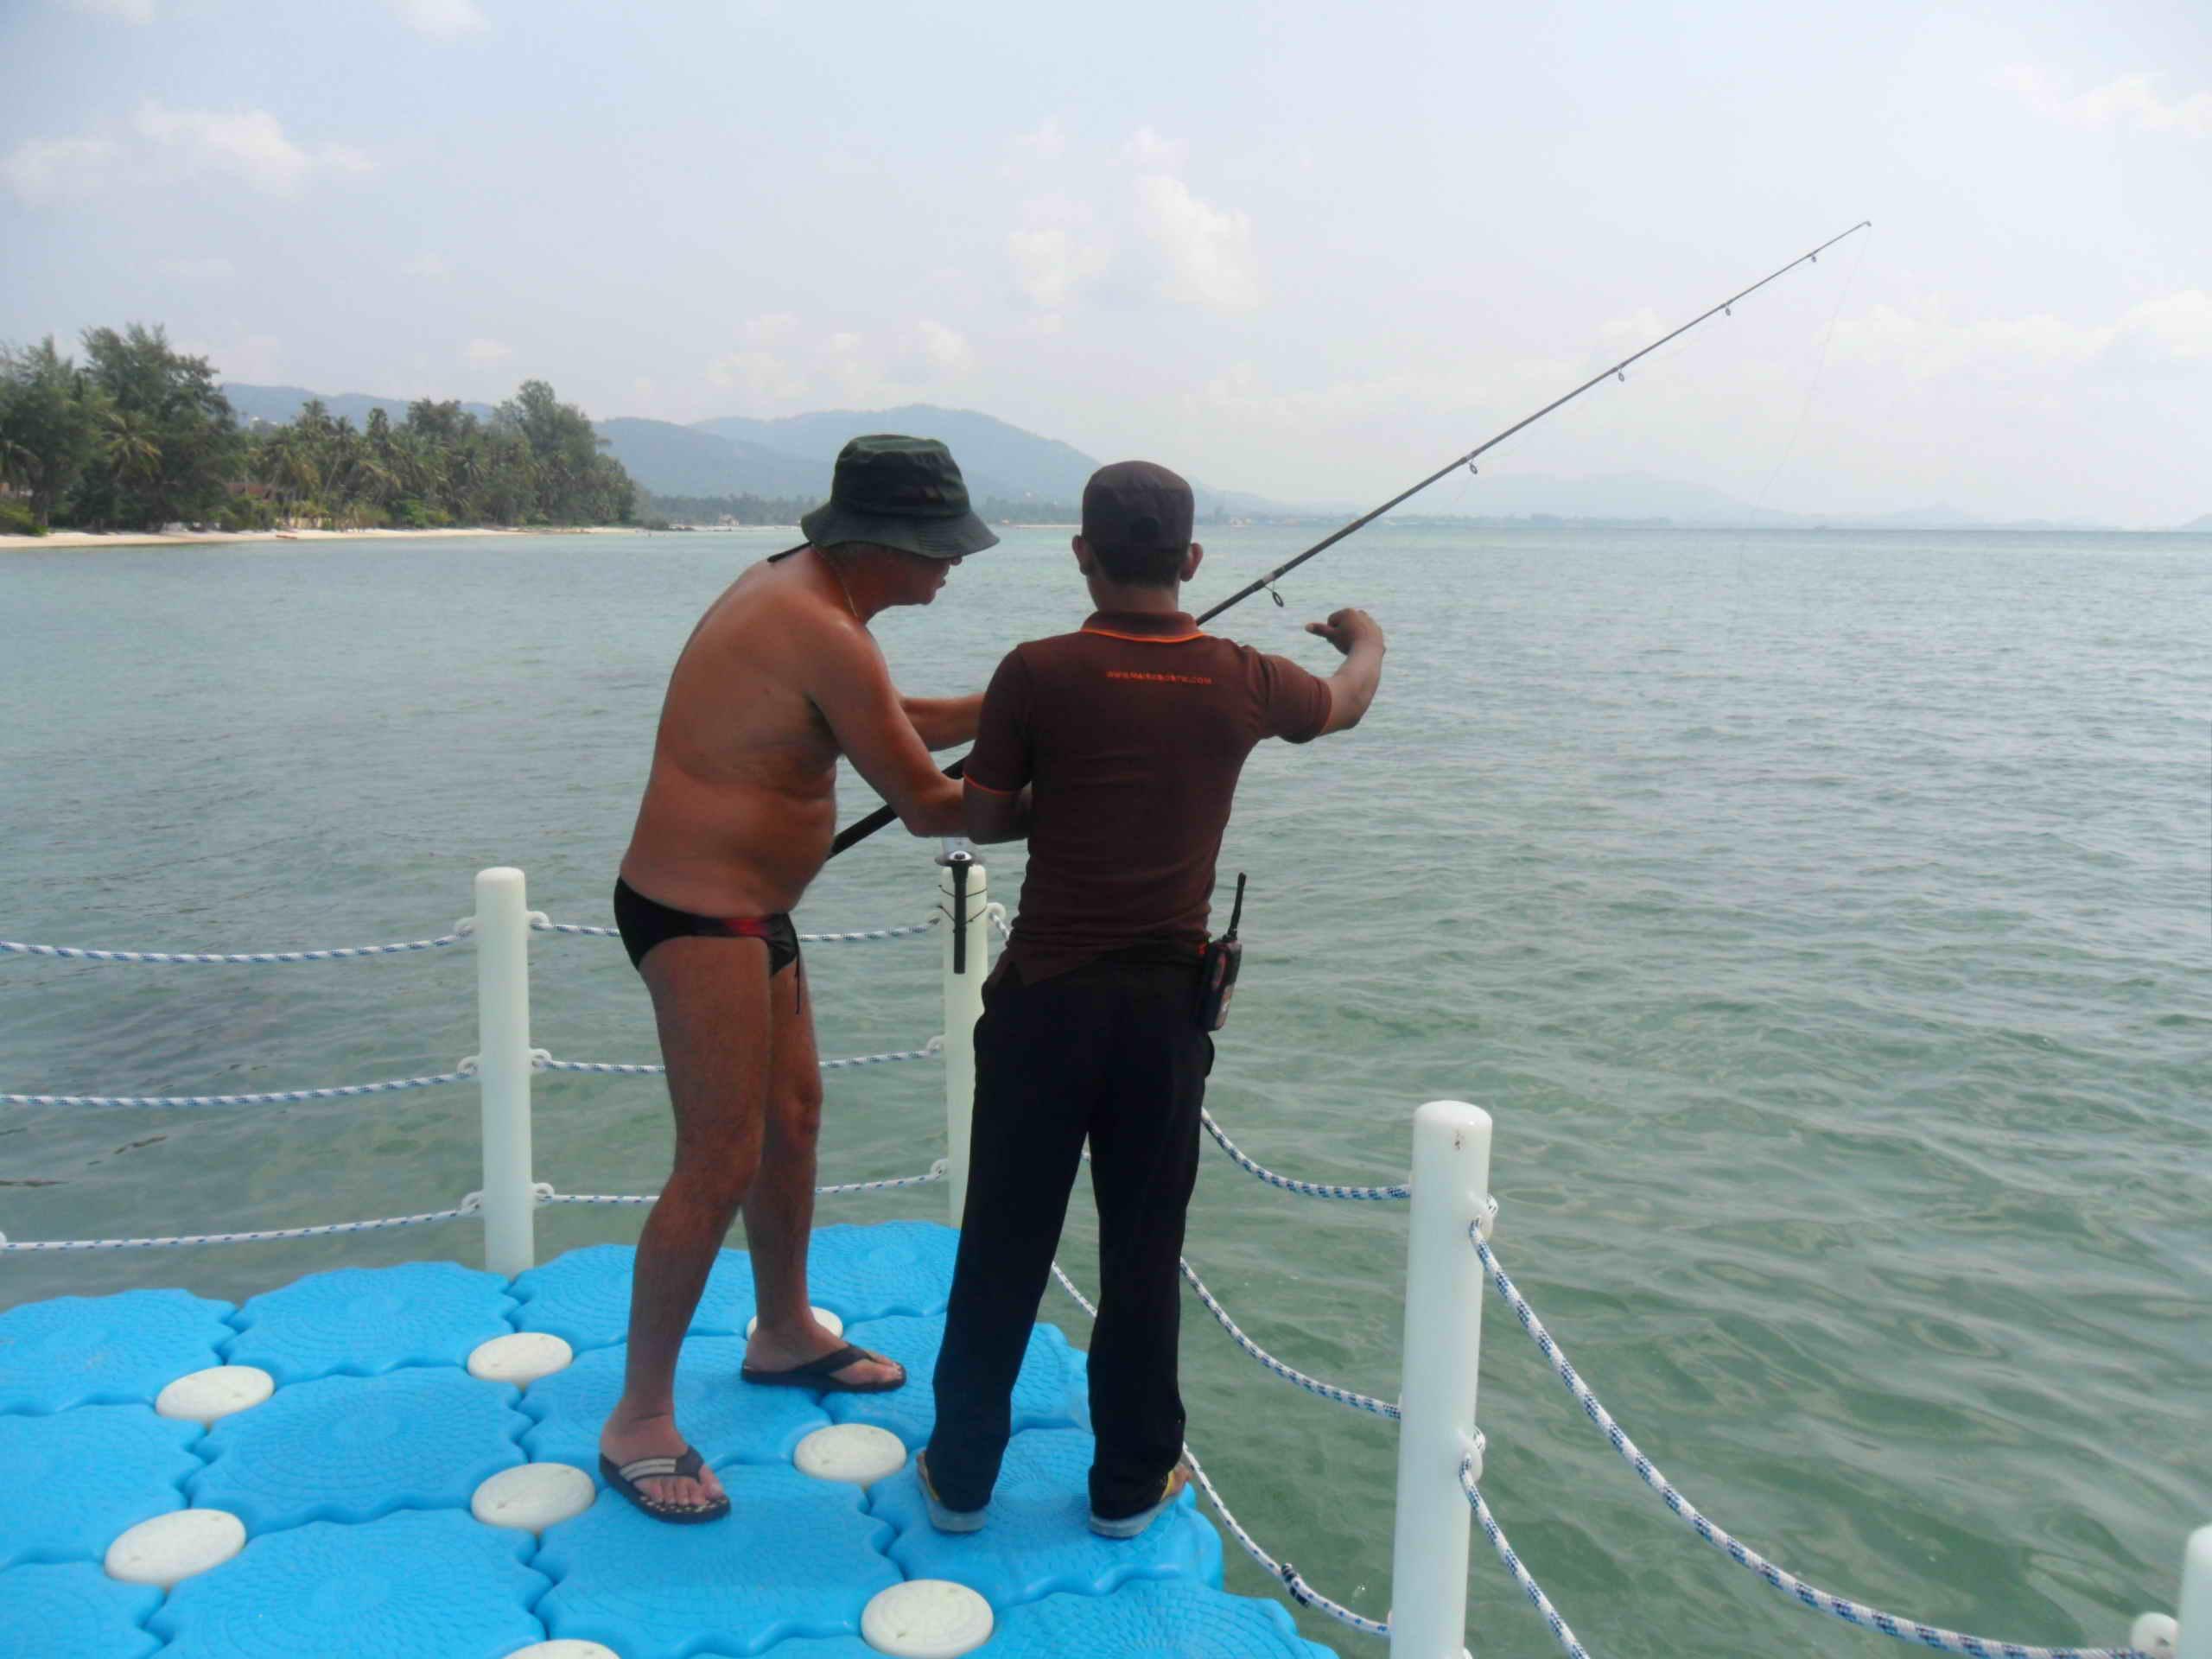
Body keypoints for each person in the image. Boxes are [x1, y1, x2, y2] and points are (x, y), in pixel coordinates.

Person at [918, 460, 1387, 1538]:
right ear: (1190, 562)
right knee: (1142, 1252)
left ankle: (961, 1477)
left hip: (1041, 1005)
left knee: (1002, 1238)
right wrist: (1363, 634)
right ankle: (1130, 1486)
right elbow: (1348, 704)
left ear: (1081, 553)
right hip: (1162, 1022)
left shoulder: (1034, 672)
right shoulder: (1241, 677)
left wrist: (1074, 794)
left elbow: (982, 821)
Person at [597, 435, 999, 1522]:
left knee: (794, 1118)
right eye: (940, 549)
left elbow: (880, 715)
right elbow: (929, 805)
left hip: (751, 914)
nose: (952, 566)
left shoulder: (809, 603)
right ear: (883, 545)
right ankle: (638, 1419)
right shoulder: (817, 624)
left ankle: (781, 1332)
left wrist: (1026, 706)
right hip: (699, 917)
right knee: (716, 1160)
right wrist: (1099, 786)